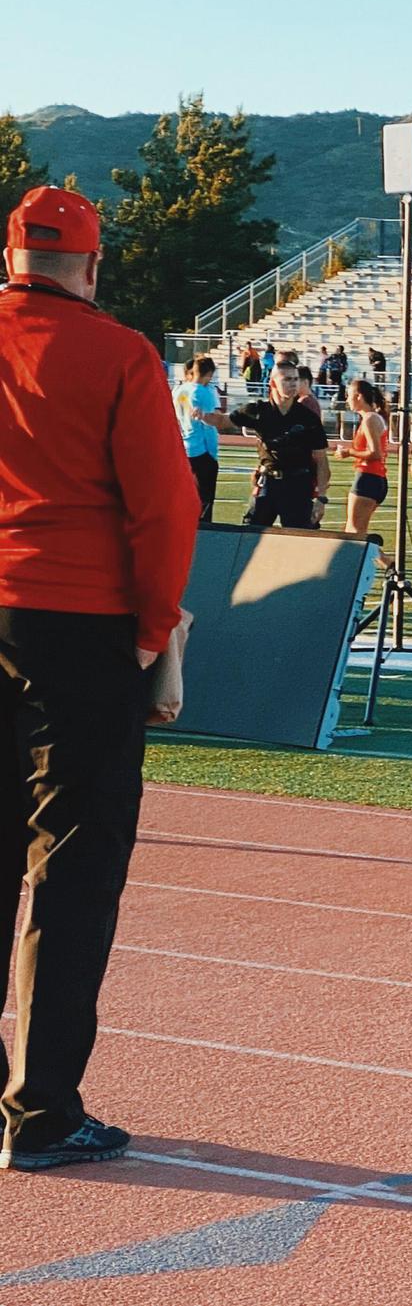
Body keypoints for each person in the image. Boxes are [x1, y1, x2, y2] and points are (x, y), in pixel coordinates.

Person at [0, 185, 199, 1169]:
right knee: (75, 873)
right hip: (80, 622)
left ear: (11, 256)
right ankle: (40, 1112)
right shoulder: (120, 354)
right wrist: (154, 631)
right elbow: (166, 507)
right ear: (91, 263)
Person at [222, 358, 331, 529]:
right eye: (287, 379)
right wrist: (200, 416)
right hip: (268, 483)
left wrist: (321, 498)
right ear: (273, 383)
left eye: (295, 379)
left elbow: (321, 460)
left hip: (298, 485)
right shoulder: (259, 410)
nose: (293, 384)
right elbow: (224, 421)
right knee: (250, 534)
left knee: (301, 538)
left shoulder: (308, 418)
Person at [335, 378, 389, 538]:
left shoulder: (370, 419)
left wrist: (349, 452)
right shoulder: (373, 417)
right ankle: (386, 563)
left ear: (358, 396)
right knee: (355, 530)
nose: (347, 400)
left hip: (368, 477)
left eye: (349, 395)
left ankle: (386, 562)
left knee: (354, 531)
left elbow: (375, 453)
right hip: (375, 478)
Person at [175, 354, 223, 522]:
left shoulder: (179, 390)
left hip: (184, 447)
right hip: (203, 449)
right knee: (205, 499)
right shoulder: (203, 392)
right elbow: (210, 420)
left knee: (184, 496)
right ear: (208, 374)